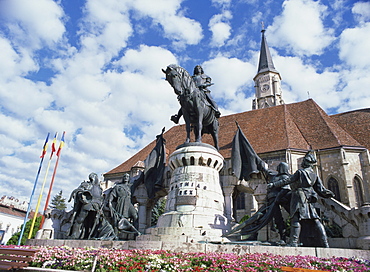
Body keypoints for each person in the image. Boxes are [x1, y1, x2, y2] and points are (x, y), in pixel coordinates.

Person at [268, 152, 335, 247]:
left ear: (306, 163)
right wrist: (329, 194)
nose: (302, 162)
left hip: (299, 197)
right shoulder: (314, 175)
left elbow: (288, 180)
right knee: (315, 220)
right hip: (309, 198)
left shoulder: (300, 172)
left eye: (304, 161)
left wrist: (273, 184)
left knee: (295, 218)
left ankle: (293, 242)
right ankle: (325, 243)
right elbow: (321, 189)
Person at [68, 173, 104, 239]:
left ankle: (89, 236)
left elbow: (101, 197)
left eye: (95, 177)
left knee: (93, 222)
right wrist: (83, 196)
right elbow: (79, 191)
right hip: (88, 204)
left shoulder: (99, 188)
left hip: (97, 206)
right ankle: (74, 235)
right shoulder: (86, 184)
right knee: (80, 219)